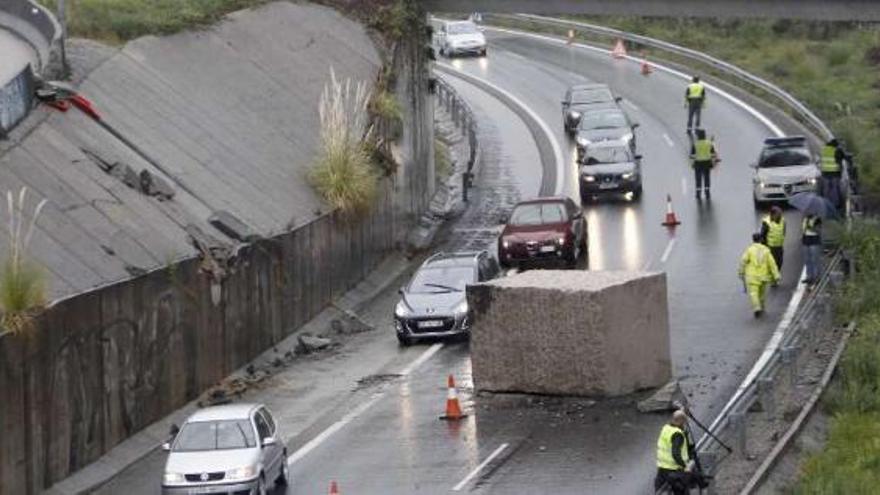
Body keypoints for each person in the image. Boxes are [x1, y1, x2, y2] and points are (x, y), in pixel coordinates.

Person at [655, 410, 697, 494]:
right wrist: (685, 466)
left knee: (659, 491)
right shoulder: (677, 435)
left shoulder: (666, 428)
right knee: (681, 490)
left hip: (662, 468)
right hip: (674, 469)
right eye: (684, 422)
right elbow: (675, 453)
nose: (685, 424)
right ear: (681, 421)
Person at [739, 233, 781, 318]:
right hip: (763, 277)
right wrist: (776, 275)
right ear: (761, 239)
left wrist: (741, 272)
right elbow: (772, 264)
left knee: (754, 293)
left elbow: (743, 261)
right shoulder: (766, 250)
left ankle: (757, 308)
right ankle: (762, 307)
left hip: (752, 277)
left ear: (753, 239)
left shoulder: (749, 250)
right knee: (761, 294)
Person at [689, 129, 717, 200]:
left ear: (698, 136)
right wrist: (713, 162)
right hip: (707, 163)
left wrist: (692, 163)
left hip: (698, 164)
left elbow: (692, 156)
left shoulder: (695, 144)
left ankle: (698, 194)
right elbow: (713, 154)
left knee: (698, 179)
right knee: (707, 178)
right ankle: (707, 193)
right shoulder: (709, 143)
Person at [820, 138, 845, 209]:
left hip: (825, 173)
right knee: (835, 189)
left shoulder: (824, 149)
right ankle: (835, 205)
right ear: (835, 145)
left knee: (826, 190)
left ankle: (825, 204)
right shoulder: (837, 150)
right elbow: (843, 157)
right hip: (835, 173)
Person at [760, 206, 786, 271]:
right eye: (778, 214)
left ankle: (776, 275)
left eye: (780, 214)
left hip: (779, 246)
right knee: (771, 264)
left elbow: (783, 232)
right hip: (771, 247)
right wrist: (765, 247)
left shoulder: (783, 221)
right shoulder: (766, 222)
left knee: (779, 262)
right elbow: (762, 235)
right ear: (773, 214)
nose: (780, 215)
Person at [802, 214, 823, 287]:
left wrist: (811, 228)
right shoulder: (805, 218)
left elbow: (819, 230)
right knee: (807, 259)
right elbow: (803, 229)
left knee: (815, 259)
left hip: (814, 240)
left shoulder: (817, 219)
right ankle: (809, 276)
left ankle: (817, 276)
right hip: (806, 239)